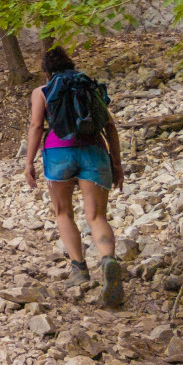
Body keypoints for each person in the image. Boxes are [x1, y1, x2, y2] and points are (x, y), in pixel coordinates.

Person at [23, 44, 126, 308]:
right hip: (94, 152)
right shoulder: (87, 87)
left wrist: (29, 163)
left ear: (46, 72)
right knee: (96, 216)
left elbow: (36, 126)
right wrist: (117, 163)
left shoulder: (42, 91)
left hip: (58, 155)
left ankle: (79, 270)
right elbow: (110, 127)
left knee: (63, 212)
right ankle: (108, 261)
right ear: (71, 66)